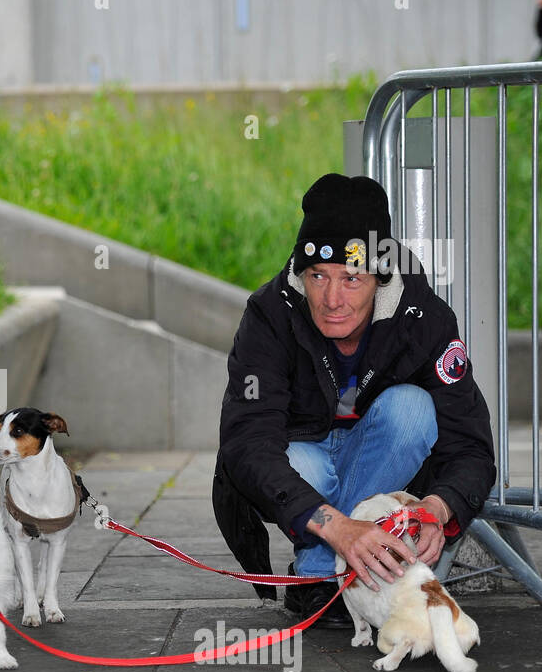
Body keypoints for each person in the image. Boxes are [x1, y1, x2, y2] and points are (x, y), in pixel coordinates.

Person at [212, 174, 496, 627]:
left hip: (376, 461)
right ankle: (322, 578)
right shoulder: (269, 314)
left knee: (411, 410)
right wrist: (337, 527)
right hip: (303, 466)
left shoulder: (424, 319)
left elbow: (471, 444)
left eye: (351, 278)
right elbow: (246, 442)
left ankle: (326, 578)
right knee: (301, 462)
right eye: (318, 276)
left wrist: (437, 509)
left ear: (380, 277)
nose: (331, 299)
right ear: (302, 273)